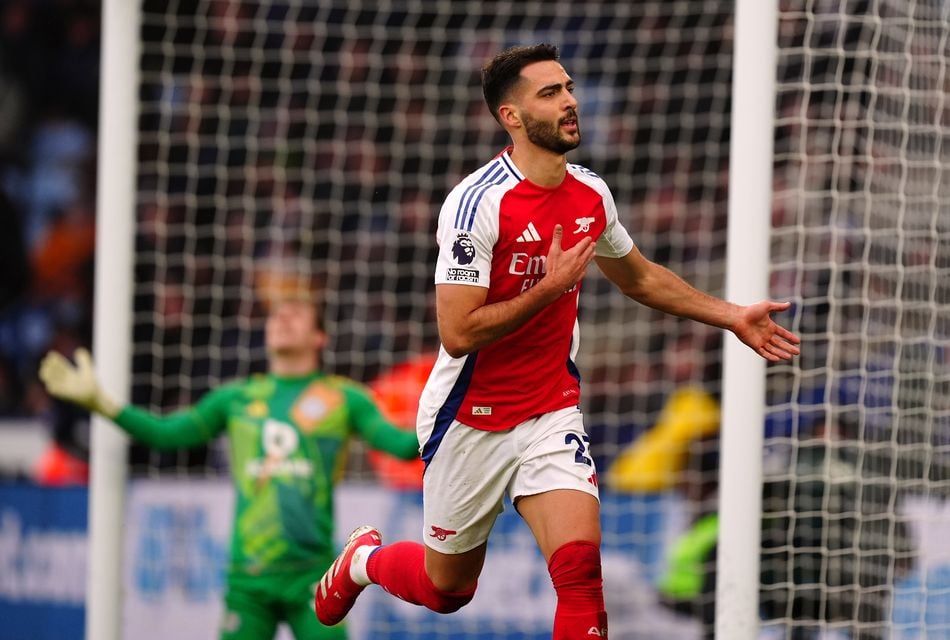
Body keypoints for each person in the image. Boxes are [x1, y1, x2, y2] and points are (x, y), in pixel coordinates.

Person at [312, 43, 800, 639]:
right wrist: (548, 289)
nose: (570, 101)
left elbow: (640, 277)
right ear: (511, 117)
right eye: (550, 93)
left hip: (549, 411)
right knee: (447, 591)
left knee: (579, 575)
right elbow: (458, 333)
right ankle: (362, 562)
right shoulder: (476, 204)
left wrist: (731, 316)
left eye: (568, 88)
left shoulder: (591, 193)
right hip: (470, 417)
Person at [38, 292, 420, 640]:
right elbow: (165, 433)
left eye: (297, 313)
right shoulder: (236, 398)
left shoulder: (344, 398)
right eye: (276, 314)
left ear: (320, 337)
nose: (282, 318)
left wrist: (451, 413)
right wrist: (102, 404)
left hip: (313, 575)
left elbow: (401, 446)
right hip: (248, 580)